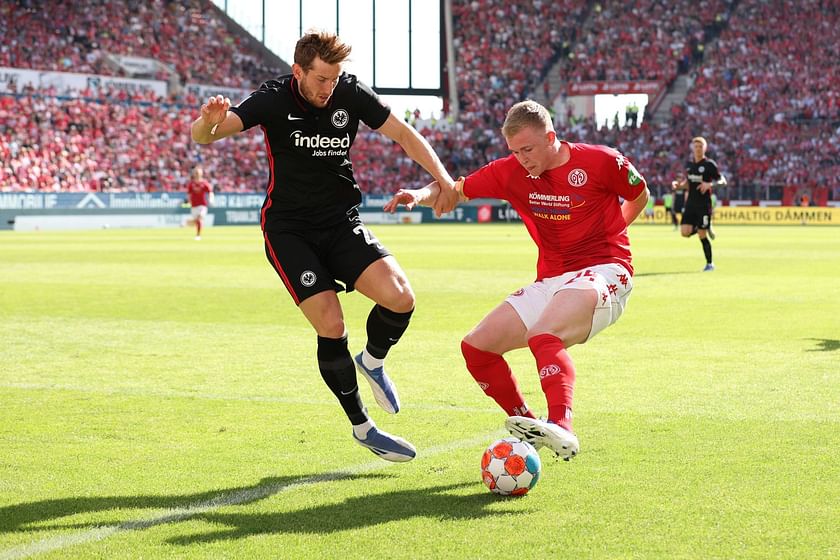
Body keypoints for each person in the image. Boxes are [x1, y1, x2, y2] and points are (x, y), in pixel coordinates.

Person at [190, 31, 456, 462]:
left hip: (340, 222)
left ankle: (371, 361)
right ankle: (363, 425)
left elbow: (404, 135)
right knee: (331, 324)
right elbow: (206, 136)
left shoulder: (349, 93)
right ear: (298, 71)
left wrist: (443, 180)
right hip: (289, 231)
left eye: (334, 79)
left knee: (401, 298)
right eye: (320, 79)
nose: (328, 88)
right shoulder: (273, 98)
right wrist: (209, 119)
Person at [384, 100, 649, 460]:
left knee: (544, 335)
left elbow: (639, 194)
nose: (522, 158)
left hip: (606, 270)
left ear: (551, 137)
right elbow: (454, 189)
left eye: (528, 149)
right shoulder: (511, 171)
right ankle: (528, 423)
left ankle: (562, 426)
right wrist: (419, 195)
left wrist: (614, 230)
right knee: (477, 348)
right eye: (514, 151)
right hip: (553, 279)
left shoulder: (602, 160)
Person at [671, 137, 725, 271]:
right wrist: (679, 185)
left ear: (705, 148)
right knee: (684, 232)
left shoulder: (709, 165)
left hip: (703, 204)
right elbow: (688, 183)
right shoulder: (689, 165)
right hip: (690, 204)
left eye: (700, 146)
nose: (698, 149)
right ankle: (704, 226)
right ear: (692, 148)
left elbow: (723, 180)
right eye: (696, 146)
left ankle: (710, 263)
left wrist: (710, 184)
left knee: (701, 234)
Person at [185, 166, 213, 240]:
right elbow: (189, 194)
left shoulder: (204, 183)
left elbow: (210, 192)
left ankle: (198, 235)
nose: (197, 174)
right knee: (196, 221)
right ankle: (188, 223)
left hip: (202, 205)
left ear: (201, 174)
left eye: (198, 173)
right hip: (194, 205)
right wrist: (189, 201)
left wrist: (211, 199)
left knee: (200, 218)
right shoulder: (191, 184)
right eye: (196, 173)